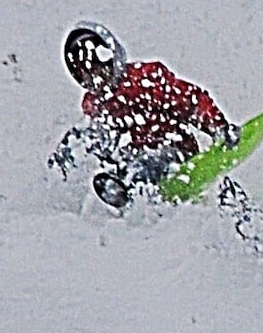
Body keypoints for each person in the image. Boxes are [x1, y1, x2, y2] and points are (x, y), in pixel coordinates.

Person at [48, 21, 237, 208]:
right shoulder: (95, 104)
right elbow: (100, 139)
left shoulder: (145, 79)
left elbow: (191, 101)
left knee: (147, 162)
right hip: (133, 156)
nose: (97, 79)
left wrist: (217, 126)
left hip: (173, 149)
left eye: (100, 69)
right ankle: (77, 176)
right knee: (87, 136)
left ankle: (128, 191)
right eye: (88, 76)